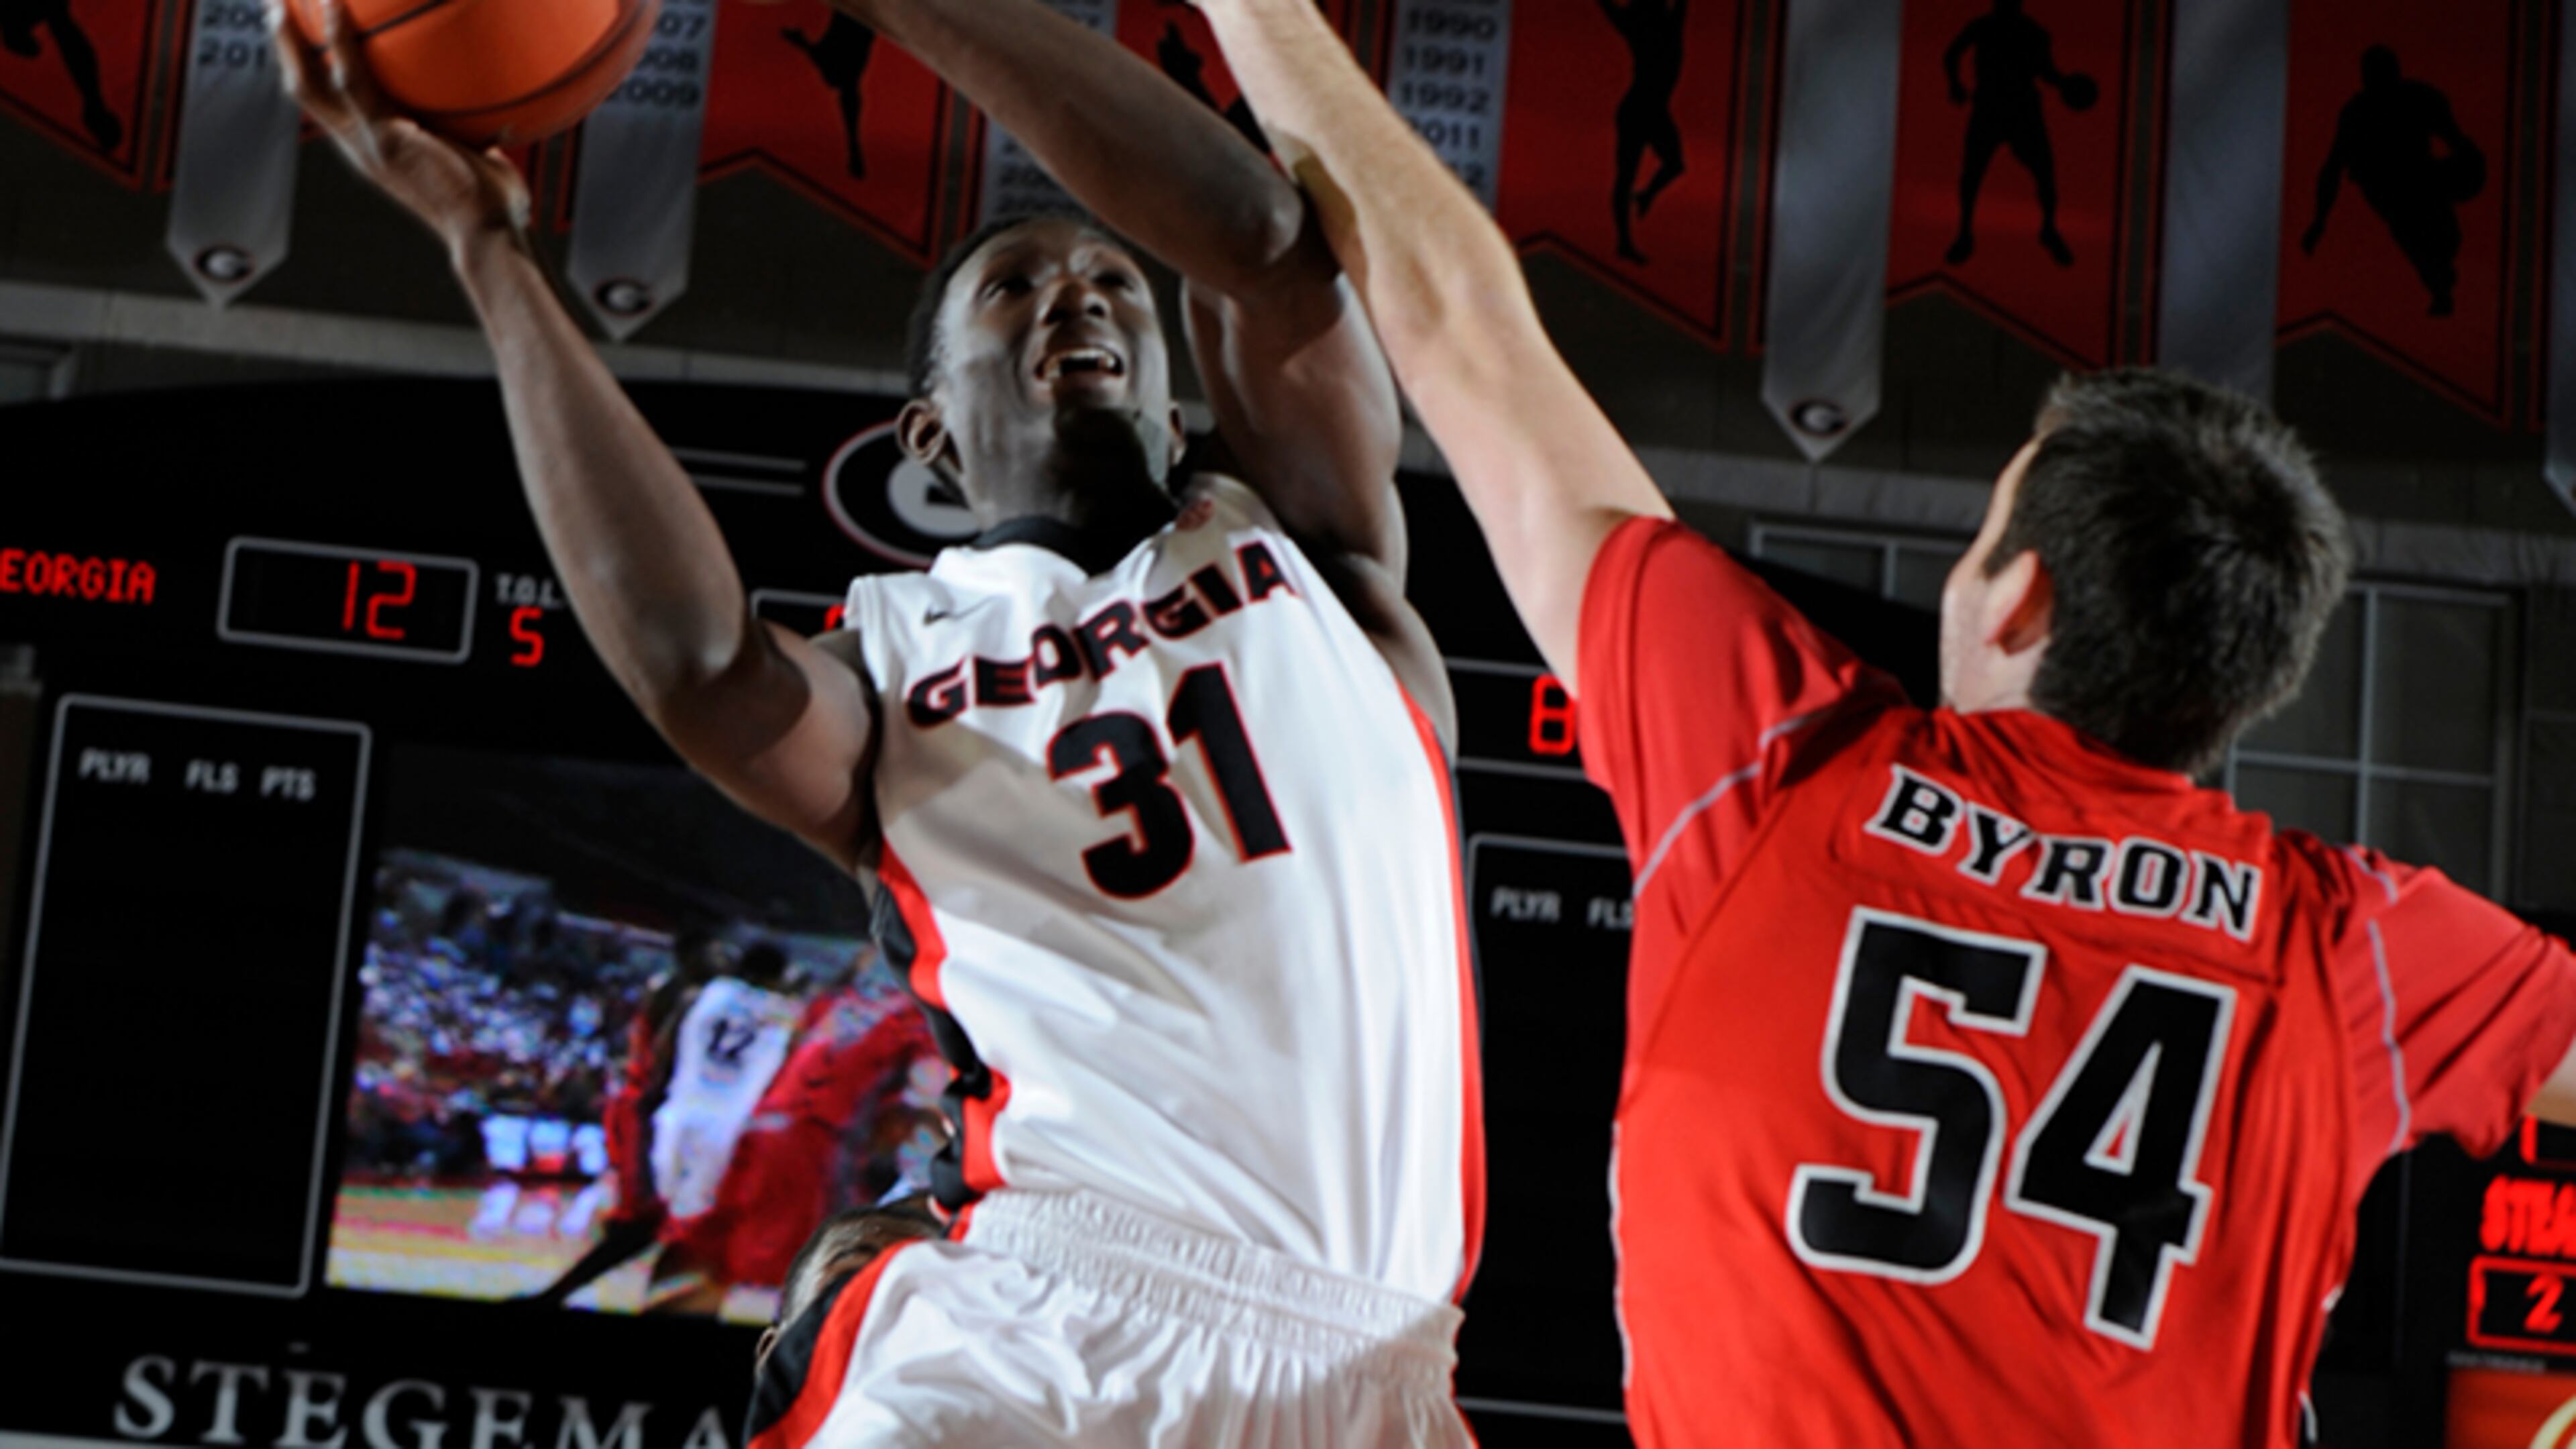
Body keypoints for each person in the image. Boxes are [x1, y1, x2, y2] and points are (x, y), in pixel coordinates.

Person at [1192, 3, 2576, 1444]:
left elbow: (1460, 323)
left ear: (2021, 602)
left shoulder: (1776, 757)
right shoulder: (2350, 951)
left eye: (1978, 538)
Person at [275, 0, 1479, 1439]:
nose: (1077, 295)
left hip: (1373, 1369)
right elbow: (696, 664)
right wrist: (491, 254)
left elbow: (1267, 247)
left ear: (1176, 403)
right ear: (929, 435)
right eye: (1014, 286)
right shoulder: (892, 657)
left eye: (1110, 281)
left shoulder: (1312, 556)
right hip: (1047, 1325)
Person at [2299, 45, 2484, 317]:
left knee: (2444, 240)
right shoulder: (2357, 113)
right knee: (2416, 240)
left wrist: (2468, 165)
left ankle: (2441, 279)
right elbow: (2332, 169)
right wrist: (2319, 221)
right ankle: (2440, 288)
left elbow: (2456, 139)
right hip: (2387, 191)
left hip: (2423, 180)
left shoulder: (2419, 99)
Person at [1940, 0, 2084, 268]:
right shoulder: (1983, 26)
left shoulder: (2033, 32)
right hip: (1989, 106)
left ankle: (2049, 229)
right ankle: (1964, 234)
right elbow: (1952, 53)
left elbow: (2045, 71)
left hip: (2022, 108)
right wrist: (1955, 84)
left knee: (2044, 173)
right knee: (1972, 174)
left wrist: (2065, 83)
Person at [1600, 0, 1686, 266]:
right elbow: (1609, 10)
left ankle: (1646, 195)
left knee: (1675, 164)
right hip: (1639, 108)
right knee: (1626, 176)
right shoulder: (1640, 26)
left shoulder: (1668, 25)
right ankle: (1624, 242)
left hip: (1654, 109)